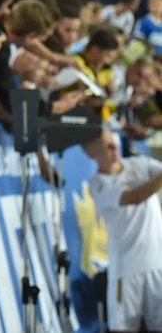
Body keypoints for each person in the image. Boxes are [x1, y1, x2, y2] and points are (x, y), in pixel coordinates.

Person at [83, 128, 162, 333]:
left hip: (157, 265)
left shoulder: (140, 164)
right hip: (126, 270)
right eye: (106, 145)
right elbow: (133, 197)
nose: (114, 146)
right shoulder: (97, 184)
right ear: (91, 153)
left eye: (114, 141)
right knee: (124, 328)